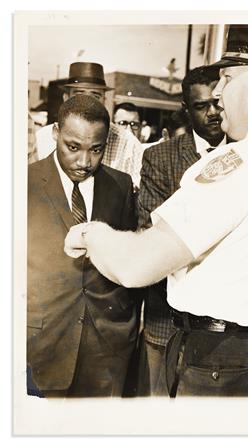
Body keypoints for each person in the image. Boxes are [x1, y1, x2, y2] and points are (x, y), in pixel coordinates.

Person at [65, 25, 248, 397]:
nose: (217, 92)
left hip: (217, 362)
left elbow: (137, 265)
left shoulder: (245, 159)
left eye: (228, 78)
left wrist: (89, 234)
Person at [27, 95, 138, 397]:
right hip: (39, 346)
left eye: (96, 149)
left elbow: (129, 260)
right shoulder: (22, 183)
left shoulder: (121, 186)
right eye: (73, 147)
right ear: (55, 134)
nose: (84, 162)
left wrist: (124, 327)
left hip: (107, 350)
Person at [136, 66, 225, 395]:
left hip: (227, 329)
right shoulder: (160, 157)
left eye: (218, 102)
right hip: (167, 322)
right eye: (202, 106)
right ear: (186, 110)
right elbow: (150, 233)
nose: (213, 113)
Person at [35, 62, 143, 188]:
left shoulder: (128, 144)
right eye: (79, 95)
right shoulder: (43, 137)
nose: (86, 102)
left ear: (104, 101)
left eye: (95, 96)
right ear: (66, 98)